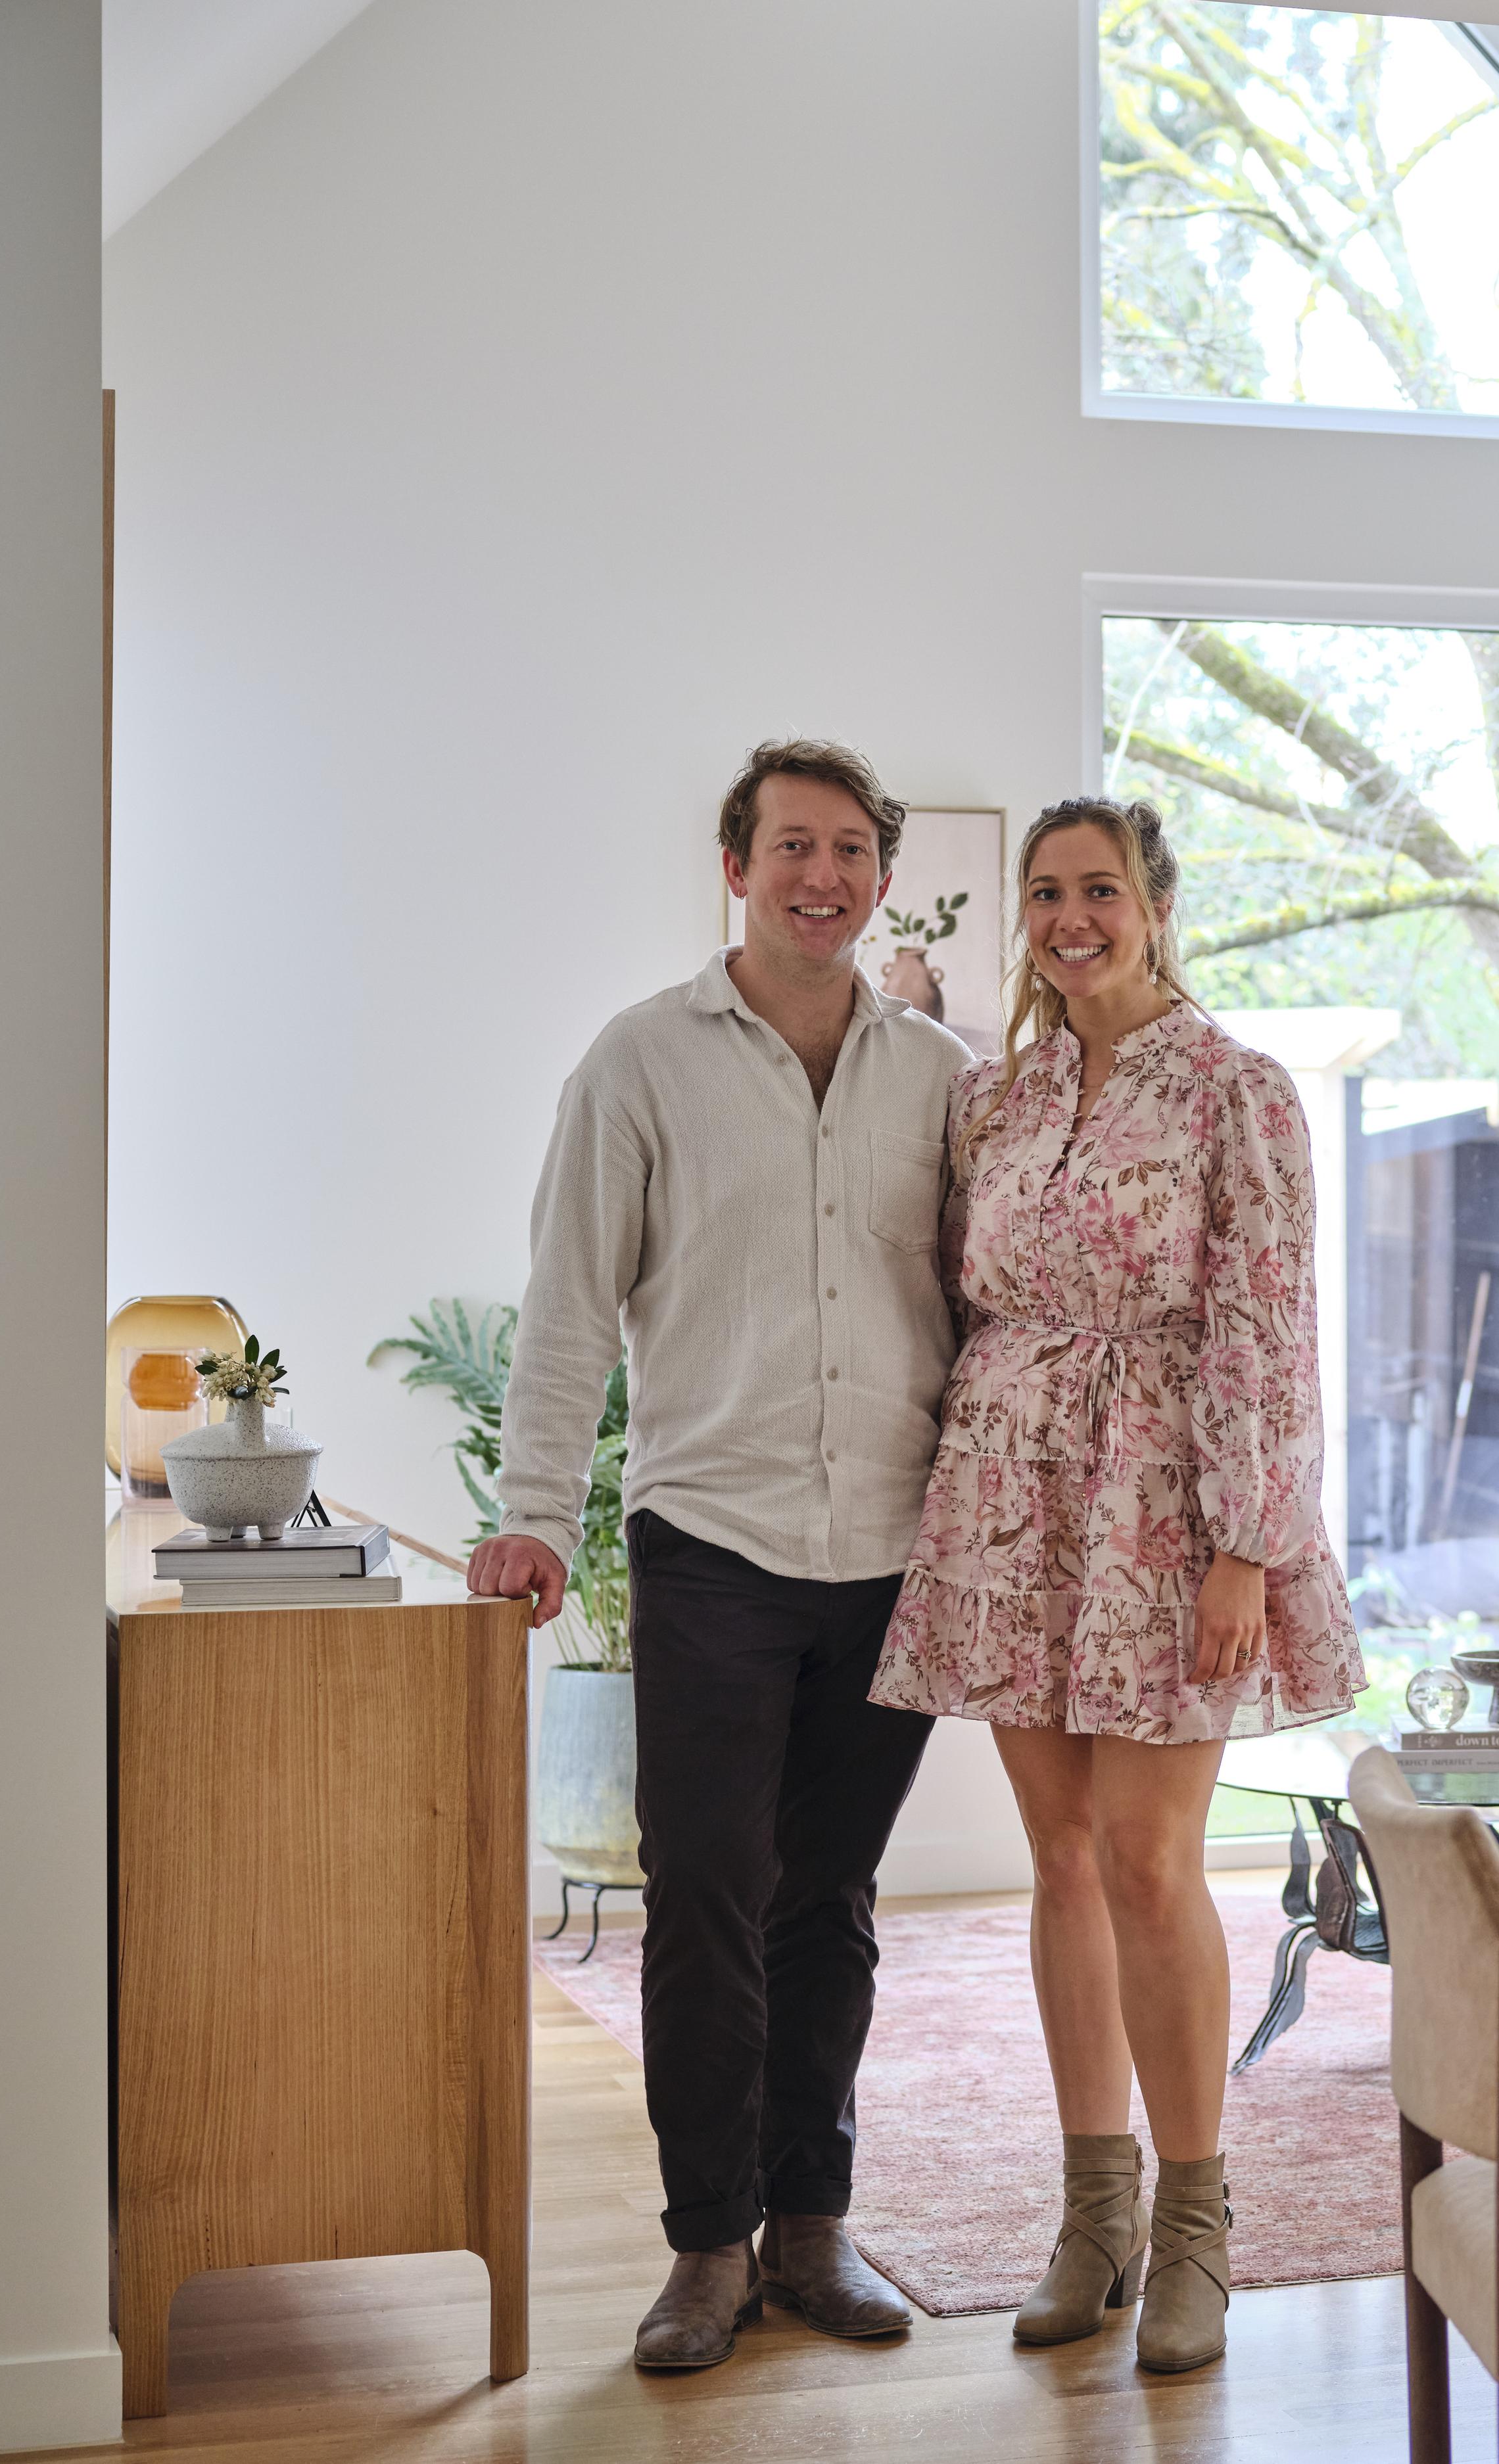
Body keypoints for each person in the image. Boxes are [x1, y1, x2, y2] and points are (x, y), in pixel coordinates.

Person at [471, 739, 966, 2371]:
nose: (819, 875)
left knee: (828, 1898)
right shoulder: (639, 1063)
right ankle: (705, 2248)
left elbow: (981, 1312)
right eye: (788, 846)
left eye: (847, 850)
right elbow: (567, 1310)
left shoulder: (941, 1077)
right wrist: (538, 1507)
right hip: (713, 1545)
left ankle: (813, 2231)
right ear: (734, 868)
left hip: (888, 1550)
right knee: (703, 1891)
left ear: (881, 876)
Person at [871, 795, 1364, 2375]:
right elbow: (959, 1300)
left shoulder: (1238, 1091)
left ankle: (1200, 2229)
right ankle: (1094, 2216)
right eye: (1044, 892)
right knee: (1062, 1859)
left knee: (1154, 1862)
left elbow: (1270, 1325)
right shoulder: (994, 1101)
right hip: (1012, 1496)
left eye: (1098, 889)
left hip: (1166, 1498)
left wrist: (1244, 1544)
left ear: (1152, 902)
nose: (1069, 917)